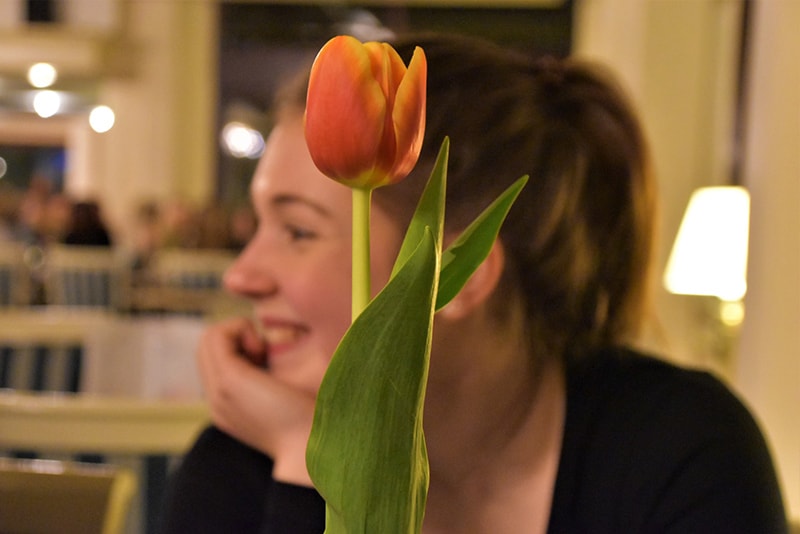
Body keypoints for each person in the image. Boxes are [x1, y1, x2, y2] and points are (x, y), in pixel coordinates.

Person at [158, 34, 787, 533]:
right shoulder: (242, 462)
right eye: (257, 222)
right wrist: (309, 464)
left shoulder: (680, 453)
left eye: (297, 230)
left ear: (456, 267)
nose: (240, 274)